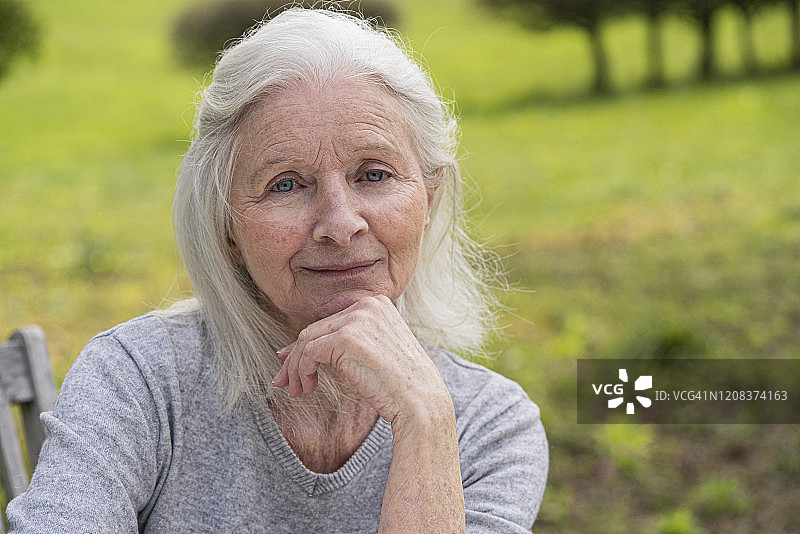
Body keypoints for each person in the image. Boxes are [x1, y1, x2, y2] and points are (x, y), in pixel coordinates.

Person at [7, 8, 547, 533]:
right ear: (227, 230)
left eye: (374, 173)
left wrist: (425, 424)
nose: (340, 223)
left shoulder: (487, 423)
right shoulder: (141, 379)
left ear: (427, 203)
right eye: (286, 184)